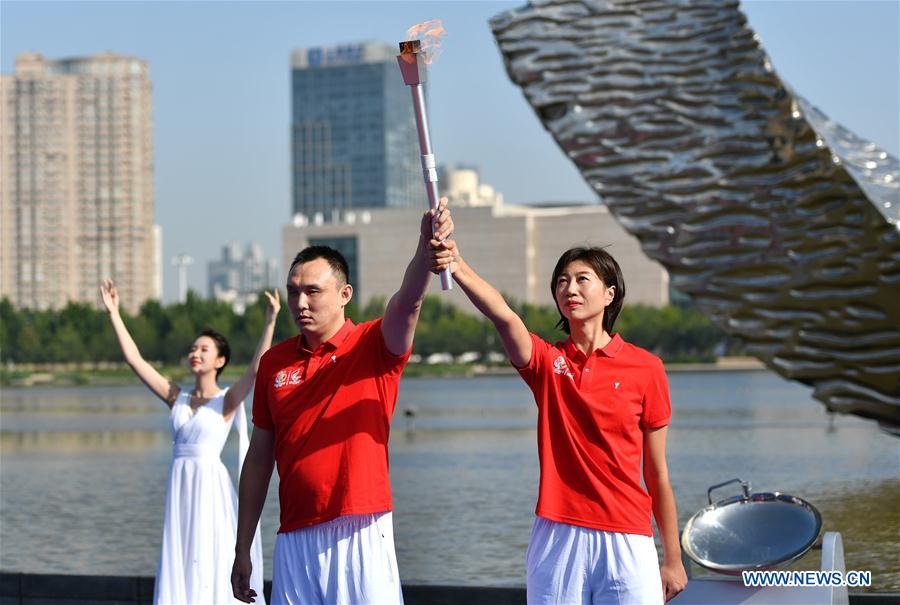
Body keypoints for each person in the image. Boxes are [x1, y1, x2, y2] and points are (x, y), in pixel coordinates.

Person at [427, 241, 688, 604]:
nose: (570, 289)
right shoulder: (547, 363)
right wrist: (454, 264)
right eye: (562, 281)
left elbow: (657, 473)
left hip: (628, 536)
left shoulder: (646, 368)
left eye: (583, 279)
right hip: (558, 534)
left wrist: (673, 558)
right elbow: (504, 315)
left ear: (610, 293)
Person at [231, 201, 454, 605]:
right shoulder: (273, 363)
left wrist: (425, 252)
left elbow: (408, 303)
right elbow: (259, 458)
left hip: (360, 528)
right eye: (294, 292)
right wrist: (242, 546)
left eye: (313, 291)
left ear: (345, 294)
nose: (300, 303)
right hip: (294, 534)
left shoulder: (374, 345)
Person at [100, 279, 279, 605]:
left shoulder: (226, 401)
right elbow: (135, 361)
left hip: (210, 489)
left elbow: (257, 369)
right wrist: (114, 312)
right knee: (182, 552)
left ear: (220, 361)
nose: (195, 353)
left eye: (204, 349)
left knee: (210, 550)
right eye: (193, 348)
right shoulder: (176, 397)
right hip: (180, 487)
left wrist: (269, 321)